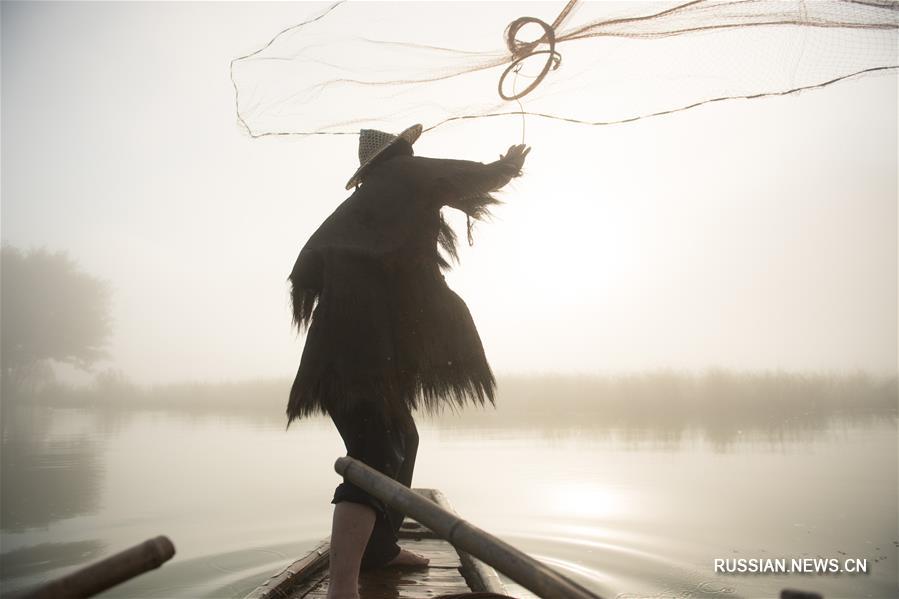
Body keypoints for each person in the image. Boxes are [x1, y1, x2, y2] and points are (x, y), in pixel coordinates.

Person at [286, 123, 530, 599]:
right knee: (374, 456)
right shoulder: (404, 175)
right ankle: (341, 588)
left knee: (404, 438)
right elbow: (458, 176)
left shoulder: (354, 211)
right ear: (398, 155)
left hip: (346, 355)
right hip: (355, 358)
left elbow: (305, 269)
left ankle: (380, 551)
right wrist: (506, 167)